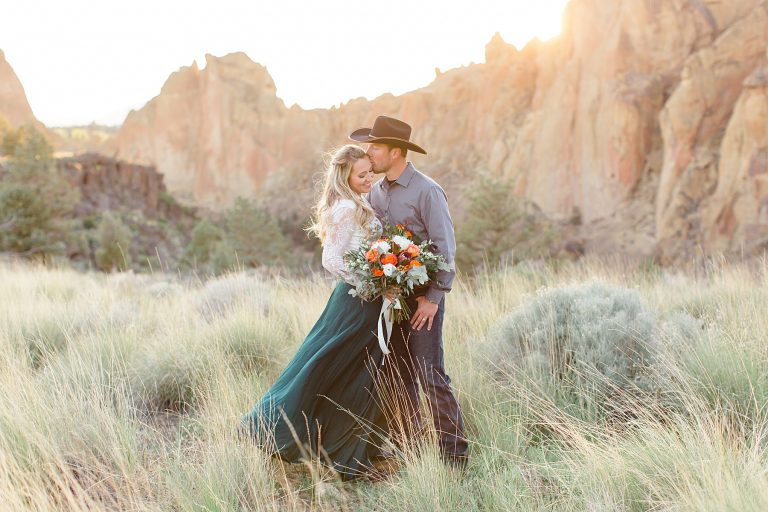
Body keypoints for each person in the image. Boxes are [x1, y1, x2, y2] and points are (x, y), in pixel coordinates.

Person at [241, 144, 388, 480]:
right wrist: (370, 283)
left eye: (370, 172)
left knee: (356, 375)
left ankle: (347, 450)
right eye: (361, 174)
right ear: (345, 176)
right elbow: (331, 259)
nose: (369, 179)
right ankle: (269, 427)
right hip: (354, 302)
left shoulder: (360, 201)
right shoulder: (345, 209)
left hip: (368, 301)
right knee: (322, 367)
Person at [350, 115, 469, 468]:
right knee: (396, 374)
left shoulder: (426, 190)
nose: (369, 153)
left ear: (397, 151)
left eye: (376, 147)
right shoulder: (375, 191)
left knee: (429, 374)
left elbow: (445, 248)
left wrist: (433, 298)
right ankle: (413, 452)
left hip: (422, 301)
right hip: (389, 301)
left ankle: (454, 457)